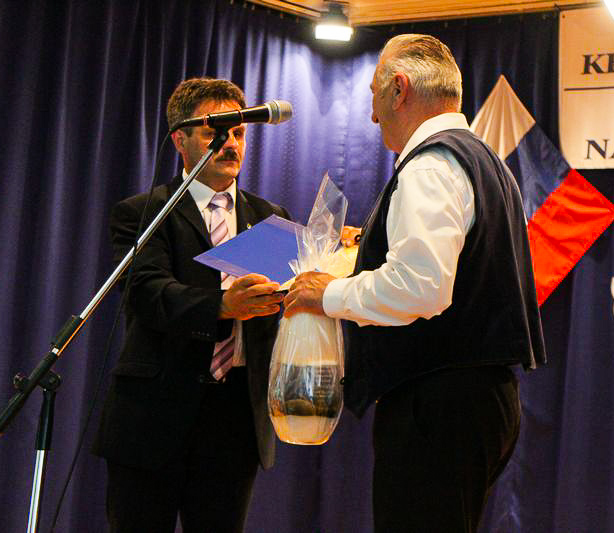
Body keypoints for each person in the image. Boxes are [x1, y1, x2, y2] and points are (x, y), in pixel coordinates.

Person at [284, 34, 547, 532]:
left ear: (399, 88)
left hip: (438, 405)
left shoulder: (430, 165)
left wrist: (328, 294)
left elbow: (420, 286)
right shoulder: (484, 159)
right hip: (476, 400)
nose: (372, 116)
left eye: (374, 95)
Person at [94, 77, 289, 532]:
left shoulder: (271, 218)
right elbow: (148, 293)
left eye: (239, 133)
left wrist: (324, 271)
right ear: (180, 140)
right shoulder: (144, 212)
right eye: (215, 132)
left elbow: (280, 306)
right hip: (153, 416)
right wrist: (222, 306)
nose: (231, 144)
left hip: (236, 419)